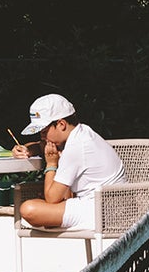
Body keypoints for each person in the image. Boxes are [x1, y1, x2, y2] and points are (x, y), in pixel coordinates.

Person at [12, 93, 126, 232]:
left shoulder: (76, 147)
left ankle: (53, 220)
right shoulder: (82, 133)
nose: (42, 137)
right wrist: (27, 149)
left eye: (44, 132)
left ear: (61, 124)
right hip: (109, 205)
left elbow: (52, 198)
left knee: (29, 209)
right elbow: (40, 145)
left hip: (100, 211)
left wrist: (51, 164)